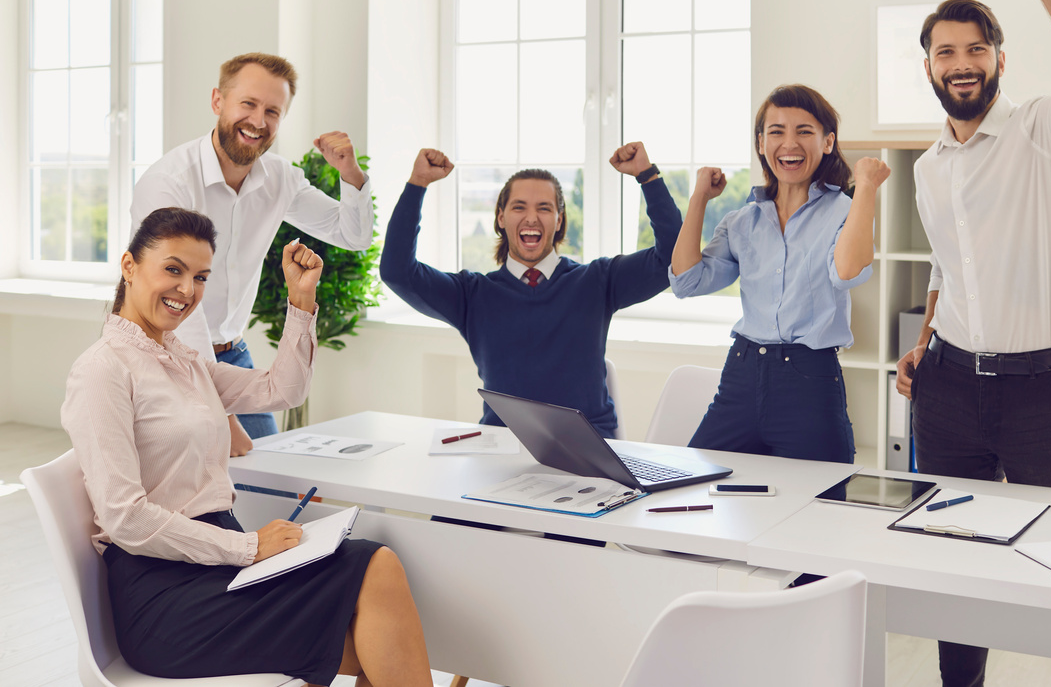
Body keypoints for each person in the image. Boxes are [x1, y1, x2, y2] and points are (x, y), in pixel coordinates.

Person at [60, 207, 433, 686]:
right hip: (163, 596)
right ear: (129, 266)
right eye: (173, 269)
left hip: (217, 567)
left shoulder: (183, 361)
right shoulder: (103, 369)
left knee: (371, 605)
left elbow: (284, 390)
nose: (187, 291)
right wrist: (248, 546)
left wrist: (301, 302)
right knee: (371, 581)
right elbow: (125, 518)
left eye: (199, 277)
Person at [895, 0, 1051, 687]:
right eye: (946, 52)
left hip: (1044, 394)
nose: (961, 64)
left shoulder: (1045, 133)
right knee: (956, 575)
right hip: (949, 389)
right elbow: (946, 265)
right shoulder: (930, 167)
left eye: (975, 49)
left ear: (999, 58)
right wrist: (924, 342)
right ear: (927, 66)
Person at [130, 52, 377, 443]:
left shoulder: (279, 179)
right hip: (166, 359)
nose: (259, 121)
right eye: (248, 103)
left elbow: (353, 235)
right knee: (195, 488)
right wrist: (217, 411)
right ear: (217, 101)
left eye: (273, 111)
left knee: (271, 480)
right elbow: (174, 295)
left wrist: (350, 172)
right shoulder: (169, 184)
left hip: (233, 355)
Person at [381, 142, 682, 437]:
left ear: (559, 219)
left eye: (544, 208)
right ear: (501, 217)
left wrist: (648, 176)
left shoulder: (597, 280)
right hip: (501, 448)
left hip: (588, 452)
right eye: (519, 207)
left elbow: (673, 257)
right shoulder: (472, 295)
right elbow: (397, 272)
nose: (531, 218)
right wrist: (418, 183)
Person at [669, 84, 890, 463]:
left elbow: (848, 271)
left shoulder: (843, 211)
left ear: (827, 142)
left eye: (804, 131)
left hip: (810, 383)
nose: (790, 143)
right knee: (692, 484)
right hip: (741, 375)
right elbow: (687, 281)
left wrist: (866, 186)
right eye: (776, 131)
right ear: (760, 144)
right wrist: (699, 200)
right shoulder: (742, 220)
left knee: (820, 506)